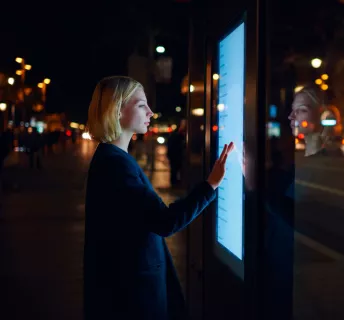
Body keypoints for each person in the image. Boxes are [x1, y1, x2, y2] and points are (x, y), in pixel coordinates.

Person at [83, 76, 234, 320]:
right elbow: (165, 221)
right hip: (132, 298)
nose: (151, 112)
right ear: (117, 109)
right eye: (142, 105)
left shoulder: (112, 159)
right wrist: (210, 185)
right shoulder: (116, 165)